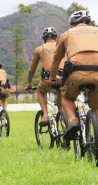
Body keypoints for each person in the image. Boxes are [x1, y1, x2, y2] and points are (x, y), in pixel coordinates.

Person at [50, 10, 98, 139]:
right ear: (88, 23)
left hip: (76, 73)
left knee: (66, 97)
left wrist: (53, 77)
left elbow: (56, 59)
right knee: (96, 105)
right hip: (97, 73)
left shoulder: (66, 34)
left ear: (72, 25)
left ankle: (73, 120)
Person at [25, 27, 66, 126]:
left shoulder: (40, 49)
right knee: (62, 106)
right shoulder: (64, 47)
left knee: (40, 91)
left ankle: (45, 114)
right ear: (56, 37)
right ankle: (65, 130)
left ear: (44, 38)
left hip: (48, 78)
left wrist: (29, 82)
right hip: (63, 79)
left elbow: (32, 69)